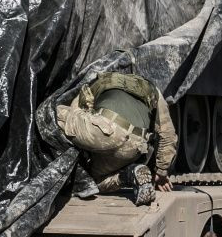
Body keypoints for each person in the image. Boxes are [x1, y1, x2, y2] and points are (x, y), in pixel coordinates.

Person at [56, 72, 176, 206]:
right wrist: (161, 172)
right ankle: (130, 174)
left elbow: (78, 112)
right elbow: (168, 134)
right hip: (133, 146)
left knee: (53, 114)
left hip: (106, 131)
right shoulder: (153, 90)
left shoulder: (102, 79)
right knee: (94, 179)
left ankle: (78, 174)